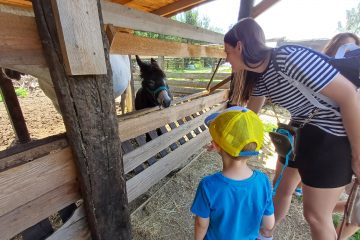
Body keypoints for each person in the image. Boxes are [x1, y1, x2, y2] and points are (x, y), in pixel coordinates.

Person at [223, 18, 360, 240]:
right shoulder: (259, 76)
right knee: (282, 187)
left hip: (333, 132)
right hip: (302, 131)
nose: (226, 57)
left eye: (227, 51)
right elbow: (249, 117)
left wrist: (357, 154)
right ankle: (264, 234)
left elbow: (349, 96)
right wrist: (223, 140)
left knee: (316, 215)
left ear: (239, 46)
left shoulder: (287, 56)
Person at [191, 106, 275, 240]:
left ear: (216, 145)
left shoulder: (208, 185)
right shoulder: (263, 181)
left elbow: (201, 224)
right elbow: (269, 224)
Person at [323, 32, 360, 240]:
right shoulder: (327, 75)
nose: (351, 55)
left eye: (354, 50)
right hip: (339, 144)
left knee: (357, 206)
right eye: (345, 49)